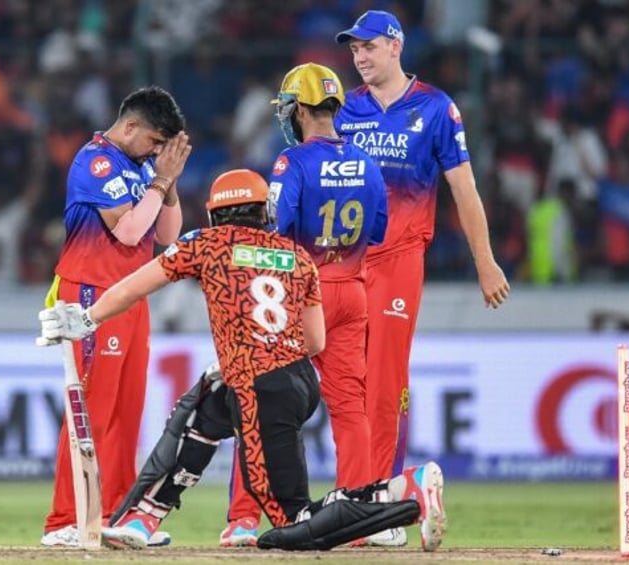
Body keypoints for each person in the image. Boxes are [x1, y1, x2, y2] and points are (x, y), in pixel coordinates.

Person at [36, 169, 447, 552]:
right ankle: (142, 518)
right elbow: (316, 340)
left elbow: (133, 288)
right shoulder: (297, 255)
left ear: (216, 215)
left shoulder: (206, 244)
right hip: (295, 380)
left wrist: (86, 318)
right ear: (265, 211)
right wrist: (260, 353)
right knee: (202, 409)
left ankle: (403, 492)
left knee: (293, 525)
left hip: (260, 388)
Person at [333, 10, 510, 543]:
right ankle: (357, 497)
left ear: (395, 45)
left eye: (368, 46)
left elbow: (465, 190)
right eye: (354, 49)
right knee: (346, 382)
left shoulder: (435, 107)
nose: (359, 57)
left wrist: (486, 262)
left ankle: (382, 511)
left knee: (386, 380)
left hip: (399, 260)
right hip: (345, 261)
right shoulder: (346, 109)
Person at [220, 62, 388, 548]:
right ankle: (356, 521)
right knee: (350, 409)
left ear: (300, 109)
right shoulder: (367, 162)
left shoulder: (290, 165)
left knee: (258, 401)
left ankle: (244, 517)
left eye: (289, 108)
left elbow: (274, 232)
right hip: (352, 290)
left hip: (297, 295)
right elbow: (375, 231)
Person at [40, 86, 190, 547]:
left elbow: (167, 232)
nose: (157, 153)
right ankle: (65, 519)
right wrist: (159, 181)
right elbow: (127, 232)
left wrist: (170, 179)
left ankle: (118, 517)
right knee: (90, 410)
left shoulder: (144, 165)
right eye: (155, 143)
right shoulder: (96, 160)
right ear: (130, 127)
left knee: (127, 412)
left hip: (131, 295)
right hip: (91, 294)